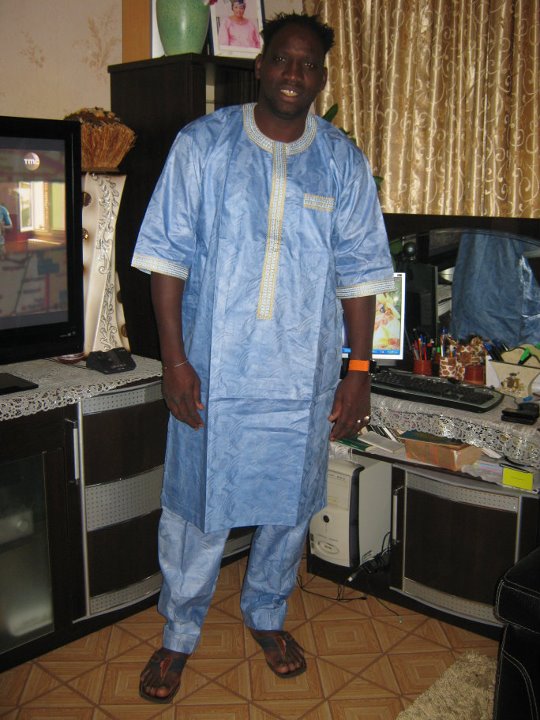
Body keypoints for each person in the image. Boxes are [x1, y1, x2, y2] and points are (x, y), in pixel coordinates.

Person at [132, 11, 395, 704]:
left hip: (302, 376)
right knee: (197, 504)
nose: (293, 73)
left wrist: (358, 373)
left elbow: (360, 274)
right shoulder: (204, 145)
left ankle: (268, 613)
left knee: (289, 503)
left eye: (307, 64)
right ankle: (179, 631)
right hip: (213, 371)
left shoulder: (340, 160)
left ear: (321, 78)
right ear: (260, 65)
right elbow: (166, 259)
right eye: (282, 58)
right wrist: (175, 362)